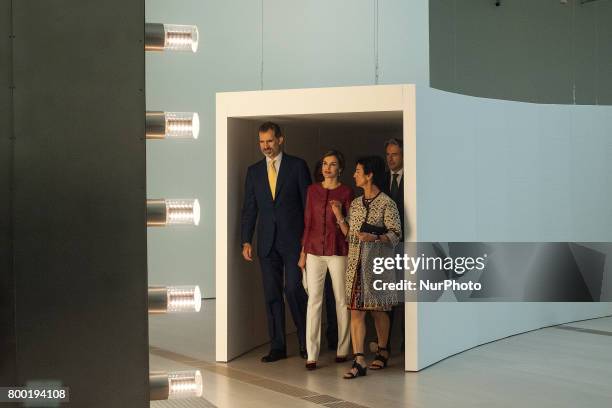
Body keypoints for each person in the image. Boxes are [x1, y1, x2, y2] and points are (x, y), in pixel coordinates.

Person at [241, 122, 310, 362]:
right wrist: (245, 240)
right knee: (272, 295)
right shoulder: (254, 171)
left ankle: (306, 342)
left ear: (281, 139)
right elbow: (250, 209)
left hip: (293, 243)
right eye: (261, 142)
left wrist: (306, 243)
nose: (265, 146)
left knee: (294, 290)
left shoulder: (297, 166)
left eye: (269, 141)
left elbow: (307, 209)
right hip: (266, 243)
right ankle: (278, 347)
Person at [332, 156, 402, 379]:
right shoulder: (354, 204)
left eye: (358, 171)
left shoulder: (387, 203)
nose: (354, 175)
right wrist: (339, 217)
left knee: (378, 311)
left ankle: (382, 351)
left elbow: (396, 235)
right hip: (355, 267)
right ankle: (359, 359)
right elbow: (350, 235)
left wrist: (374, 237)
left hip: (377, 267)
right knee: (356, 312)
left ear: (369, 174)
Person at [298, 150, 353, 370]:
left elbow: (348, 228)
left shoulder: (347, 192)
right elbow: (307, 222)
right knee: (314, 300)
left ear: (340, 168)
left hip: (338, 250)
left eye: (332, 164)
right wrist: (302, 252)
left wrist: (339, 213)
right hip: (313, 250)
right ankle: (312, 354)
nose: (327, 168)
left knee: (341, 299)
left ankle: (343, 348)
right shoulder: (312, 190)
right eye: (324, 164)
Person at [370, 138, 406, 354]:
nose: (391, 158)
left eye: (395, 154)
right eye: (388, 154)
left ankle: (406, 342)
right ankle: (385, 344)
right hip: (384, 247)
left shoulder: (413, 178)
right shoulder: (381, 179)